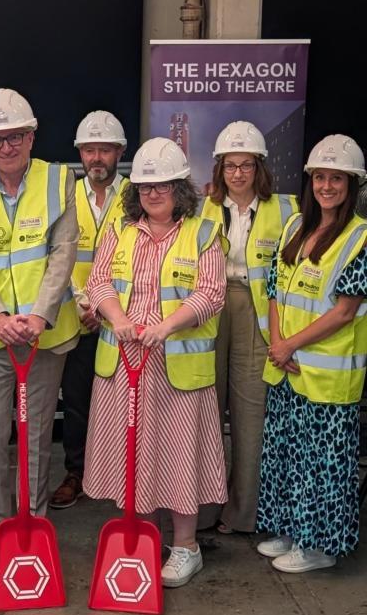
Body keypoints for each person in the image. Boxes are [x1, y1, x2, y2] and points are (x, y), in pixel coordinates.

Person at [84, 137, 227, 588]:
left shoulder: (203, 232)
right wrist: (119, 318)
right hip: (124, 365)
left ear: (179, 188)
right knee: (134, 455)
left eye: (162, 185)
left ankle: (186, 547)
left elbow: (211, 293)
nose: (153, 193)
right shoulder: (120, 229)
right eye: (145, 186)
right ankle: (145, 540)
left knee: (181, 456)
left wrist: (167, 326)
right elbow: (98, 281)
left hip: (177, 371)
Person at [0, 88, 79, 573]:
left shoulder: (58, 180)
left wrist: (39, 316)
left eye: (14, 138)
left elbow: (62, 252)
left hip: (44, 335)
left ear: (31, 136)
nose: (6, 148)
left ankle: (34, 526)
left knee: (37, 434)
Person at [256, 134, 367, 573]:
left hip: (325, 377)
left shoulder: (359, 238)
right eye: (320, 177)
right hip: (287, 370)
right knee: (286, 455)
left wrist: (289, 346)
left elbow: (344, 312)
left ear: (351, 184)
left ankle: (319, 546)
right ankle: (290, 530)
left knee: (322, 466)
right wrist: (279, 345)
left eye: (336, 178)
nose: (326, 186)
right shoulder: (294, 227)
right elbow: (274, 290)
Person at [198, 121, 299, 534]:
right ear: (220, 170)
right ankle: (201, 509)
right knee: (204, 410)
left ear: (260, 168)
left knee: (250, 413)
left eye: (246, 165)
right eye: (230, 166)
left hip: (260, 316)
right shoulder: (200, 207)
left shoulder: (288, 210)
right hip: (208, 313)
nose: (238, 174)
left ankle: (243, 512)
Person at [51, 110, 130, 510]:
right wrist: (84, 302)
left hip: (124, 317)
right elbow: (53, 257)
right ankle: (76, 473)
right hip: (75, 316)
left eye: (105, 150)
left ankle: (121, 473)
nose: (97, 157)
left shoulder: (136, 194)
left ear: (119, 152)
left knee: (123, 400)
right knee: (78, 400)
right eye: (89, 150)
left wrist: (106, 307)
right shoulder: (64, 193)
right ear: (80, 154)